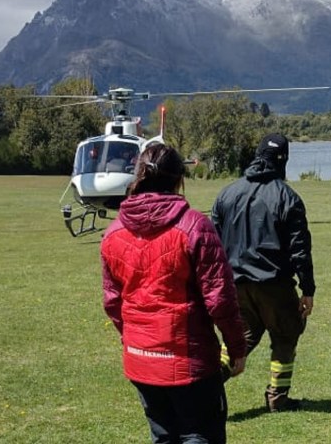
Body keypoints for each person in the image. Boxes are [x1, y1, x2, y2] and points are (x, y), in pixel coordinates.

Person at [101, 143, 247, 444]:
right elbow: (220, 300)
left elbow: (113, 302)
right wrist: (237, 348)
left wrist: (132, 338)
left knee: (164, 436)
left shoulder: (113, 232)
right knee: (199, 434)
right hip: (188, 363)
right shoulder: (195, 227)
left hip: (142, 360)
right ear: (179, 180)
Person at [211, 133, 315, 413]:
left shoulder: (227, 193)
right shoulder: (287, 197)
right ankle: (277, 396)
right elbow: (300, 249)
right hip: (274, 284)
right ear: (283, 160)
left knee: (239, 339)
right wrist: (308, 289)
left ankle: (204, 386)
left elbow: (214, 243)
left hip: (235, 284)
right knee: (285, 335)